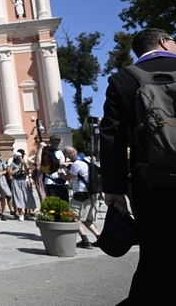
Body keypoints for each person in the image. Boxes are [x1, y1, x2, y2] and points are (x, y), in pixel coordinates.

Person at [100, 28, 176, 304]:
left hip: (150, 181)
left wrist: (114, 188)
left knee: (155, 253)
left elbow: (112, 137)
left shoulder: (123, 79)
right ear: (164, 42)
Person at [60, 146, 101, 249]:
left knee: (73, 216)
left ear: (69, 155)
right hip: (91, 192)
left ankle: (85, 240)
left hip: (80, 193)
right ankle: (100, 238)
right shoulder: (86, 160)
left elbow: (68, 177)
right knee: (86, 218)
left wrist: (61, 175)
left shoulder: (76, 164)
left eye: (67, 156)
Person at [36, 135, 70, 202]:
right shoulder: (44, 151)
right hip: (50, 181)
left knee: (64, 203)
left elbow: (63, 164)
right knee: (53, 204)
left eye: (57, 143)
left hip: (61, 181)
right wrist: (40, 148)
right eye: (54, 143)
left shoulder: (60, 152)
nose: (55, 145)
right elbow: (38, 162)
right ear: (50, 142)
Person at [7, 151, 36, 221]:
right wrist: (16, 170)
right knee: (18, 198)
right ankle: (21, 214)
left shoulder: (25, 163)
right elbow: (10, 173)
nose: (20, 158)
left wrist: (25, 165)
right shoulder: (13, 164)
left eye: (21, 156)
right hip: (16, 181)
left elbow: (28, 172)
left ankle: (26, 213)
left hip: (24, 181)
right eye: (18, 156)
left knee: (26, 197)